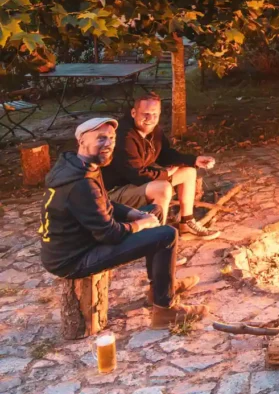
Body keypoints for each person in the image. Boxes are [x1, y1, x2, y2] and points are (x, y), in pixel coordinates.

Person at [40, 117, 208, 328]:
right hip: (73, 259)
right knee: (166, 235)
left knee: (154, 211)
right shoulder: (81, 183)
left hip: (81, 241)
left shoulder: (76, 164)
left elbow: (103, 202)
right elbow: (110, 234)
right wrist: (140, 225)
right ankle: (165, 311)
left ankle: (159, 289)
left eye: (111, 138)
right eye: (101, 138)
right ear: (82, 140)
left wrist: (134, 214)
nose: (109, 143)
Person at [104, 94, 220, 239]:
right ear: (133, 113)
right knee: (162, 188)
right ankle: (160, 240)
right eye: (145, 114)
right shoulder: (124, 136)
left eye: (154, 114)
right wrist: (165, 175)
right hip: (113, 193)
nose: (150, 119)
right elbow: (137, 175)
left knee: (189, 172)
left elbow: (164, 154)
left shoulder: (153, 130)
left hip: (135, 184)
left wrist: (194, 160)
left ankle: (186, 222)